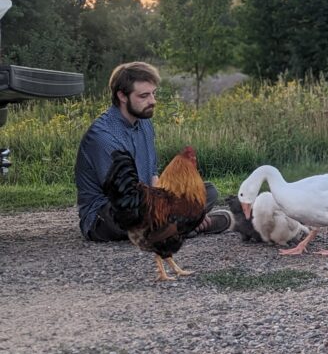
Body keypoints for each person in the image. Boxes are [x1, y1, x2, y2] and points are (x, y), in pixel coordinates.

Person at [75, 61, 234, 242]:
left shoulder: (144, 122)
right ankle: (187, 226)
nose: (153, 101)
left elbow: (152, 175)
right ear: (122, 96)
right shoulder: (103, 136)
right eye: (144, 96)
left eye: (153, 93)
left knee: (206, 191)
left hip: (145, 202)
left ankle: (175, 227)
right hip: (107, 216)